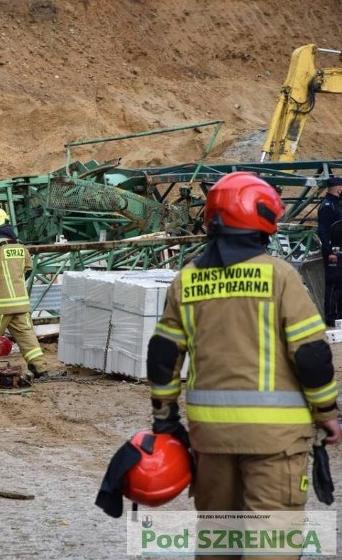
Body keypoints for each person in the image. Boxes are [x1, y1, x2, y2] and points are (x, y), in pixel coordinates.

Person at [146, 173, 340, 542]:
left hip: (210, 440)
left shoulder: (186, 280)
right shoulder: (280, 276)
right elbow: (312, 356)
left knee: (220, 540)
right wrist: (327, 413)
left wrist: (165, 419)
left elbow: (162, 356)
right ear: (263, 217)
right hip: (276, 442)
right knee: (272, 543)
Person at [0, 208, 50, 379]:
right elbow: (27, 271)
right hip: (20, 304)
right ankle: (40, 369)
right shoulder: (21, 246)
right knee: (26, 337)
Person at [317, 174, 342, 326]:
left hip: (340, 251)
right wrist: (329, 252)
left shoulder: (336, 204)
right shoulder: (327, 205)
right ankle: (331, 317)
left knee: (341, 284)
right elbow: (323, 231)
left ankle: (339, 315)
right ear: (339, 188)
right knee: (333, 285)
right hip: (333, 252)